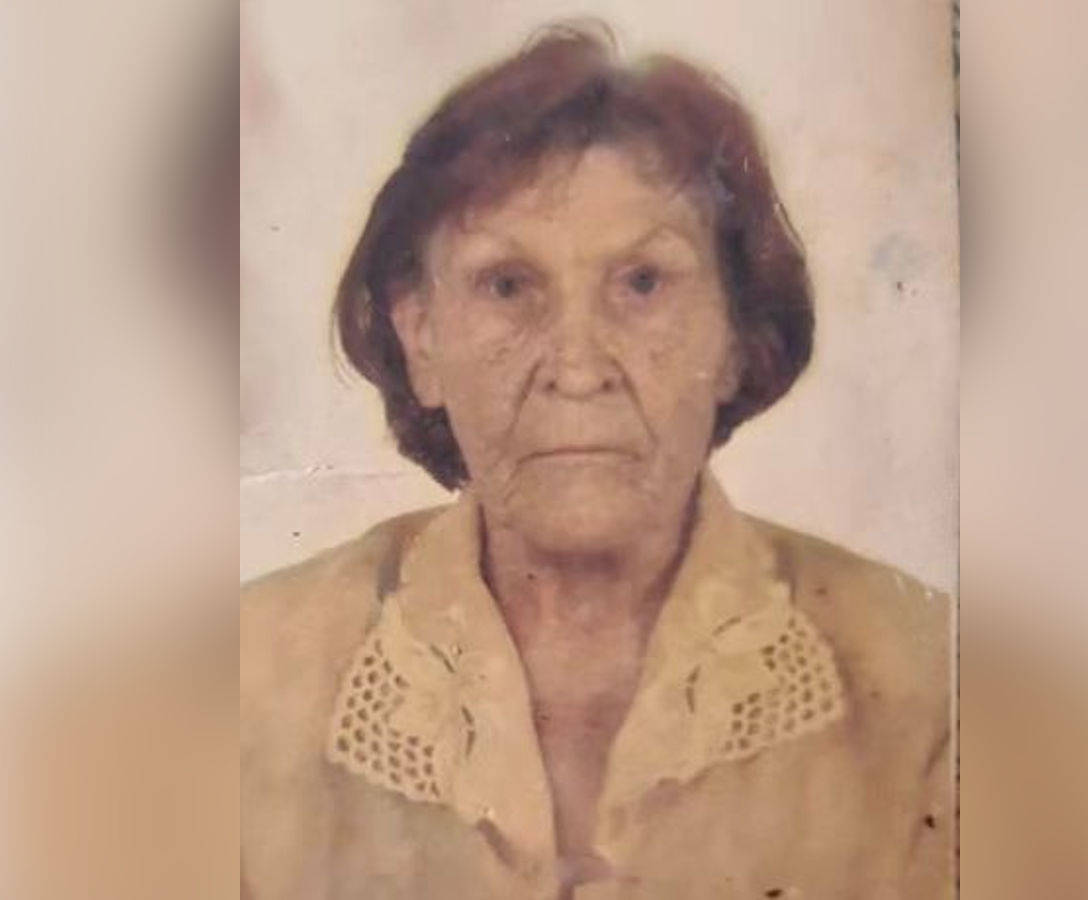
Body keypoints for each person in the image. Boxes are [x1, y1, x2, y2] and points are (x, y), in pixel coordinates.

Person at [241, 25, 952, 900]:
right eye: (508, 286)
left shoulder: (934, 689)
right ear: (420, 337)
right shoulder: (242, 682)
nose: (577, 369)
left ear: (738, 335)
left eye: (642, 283)